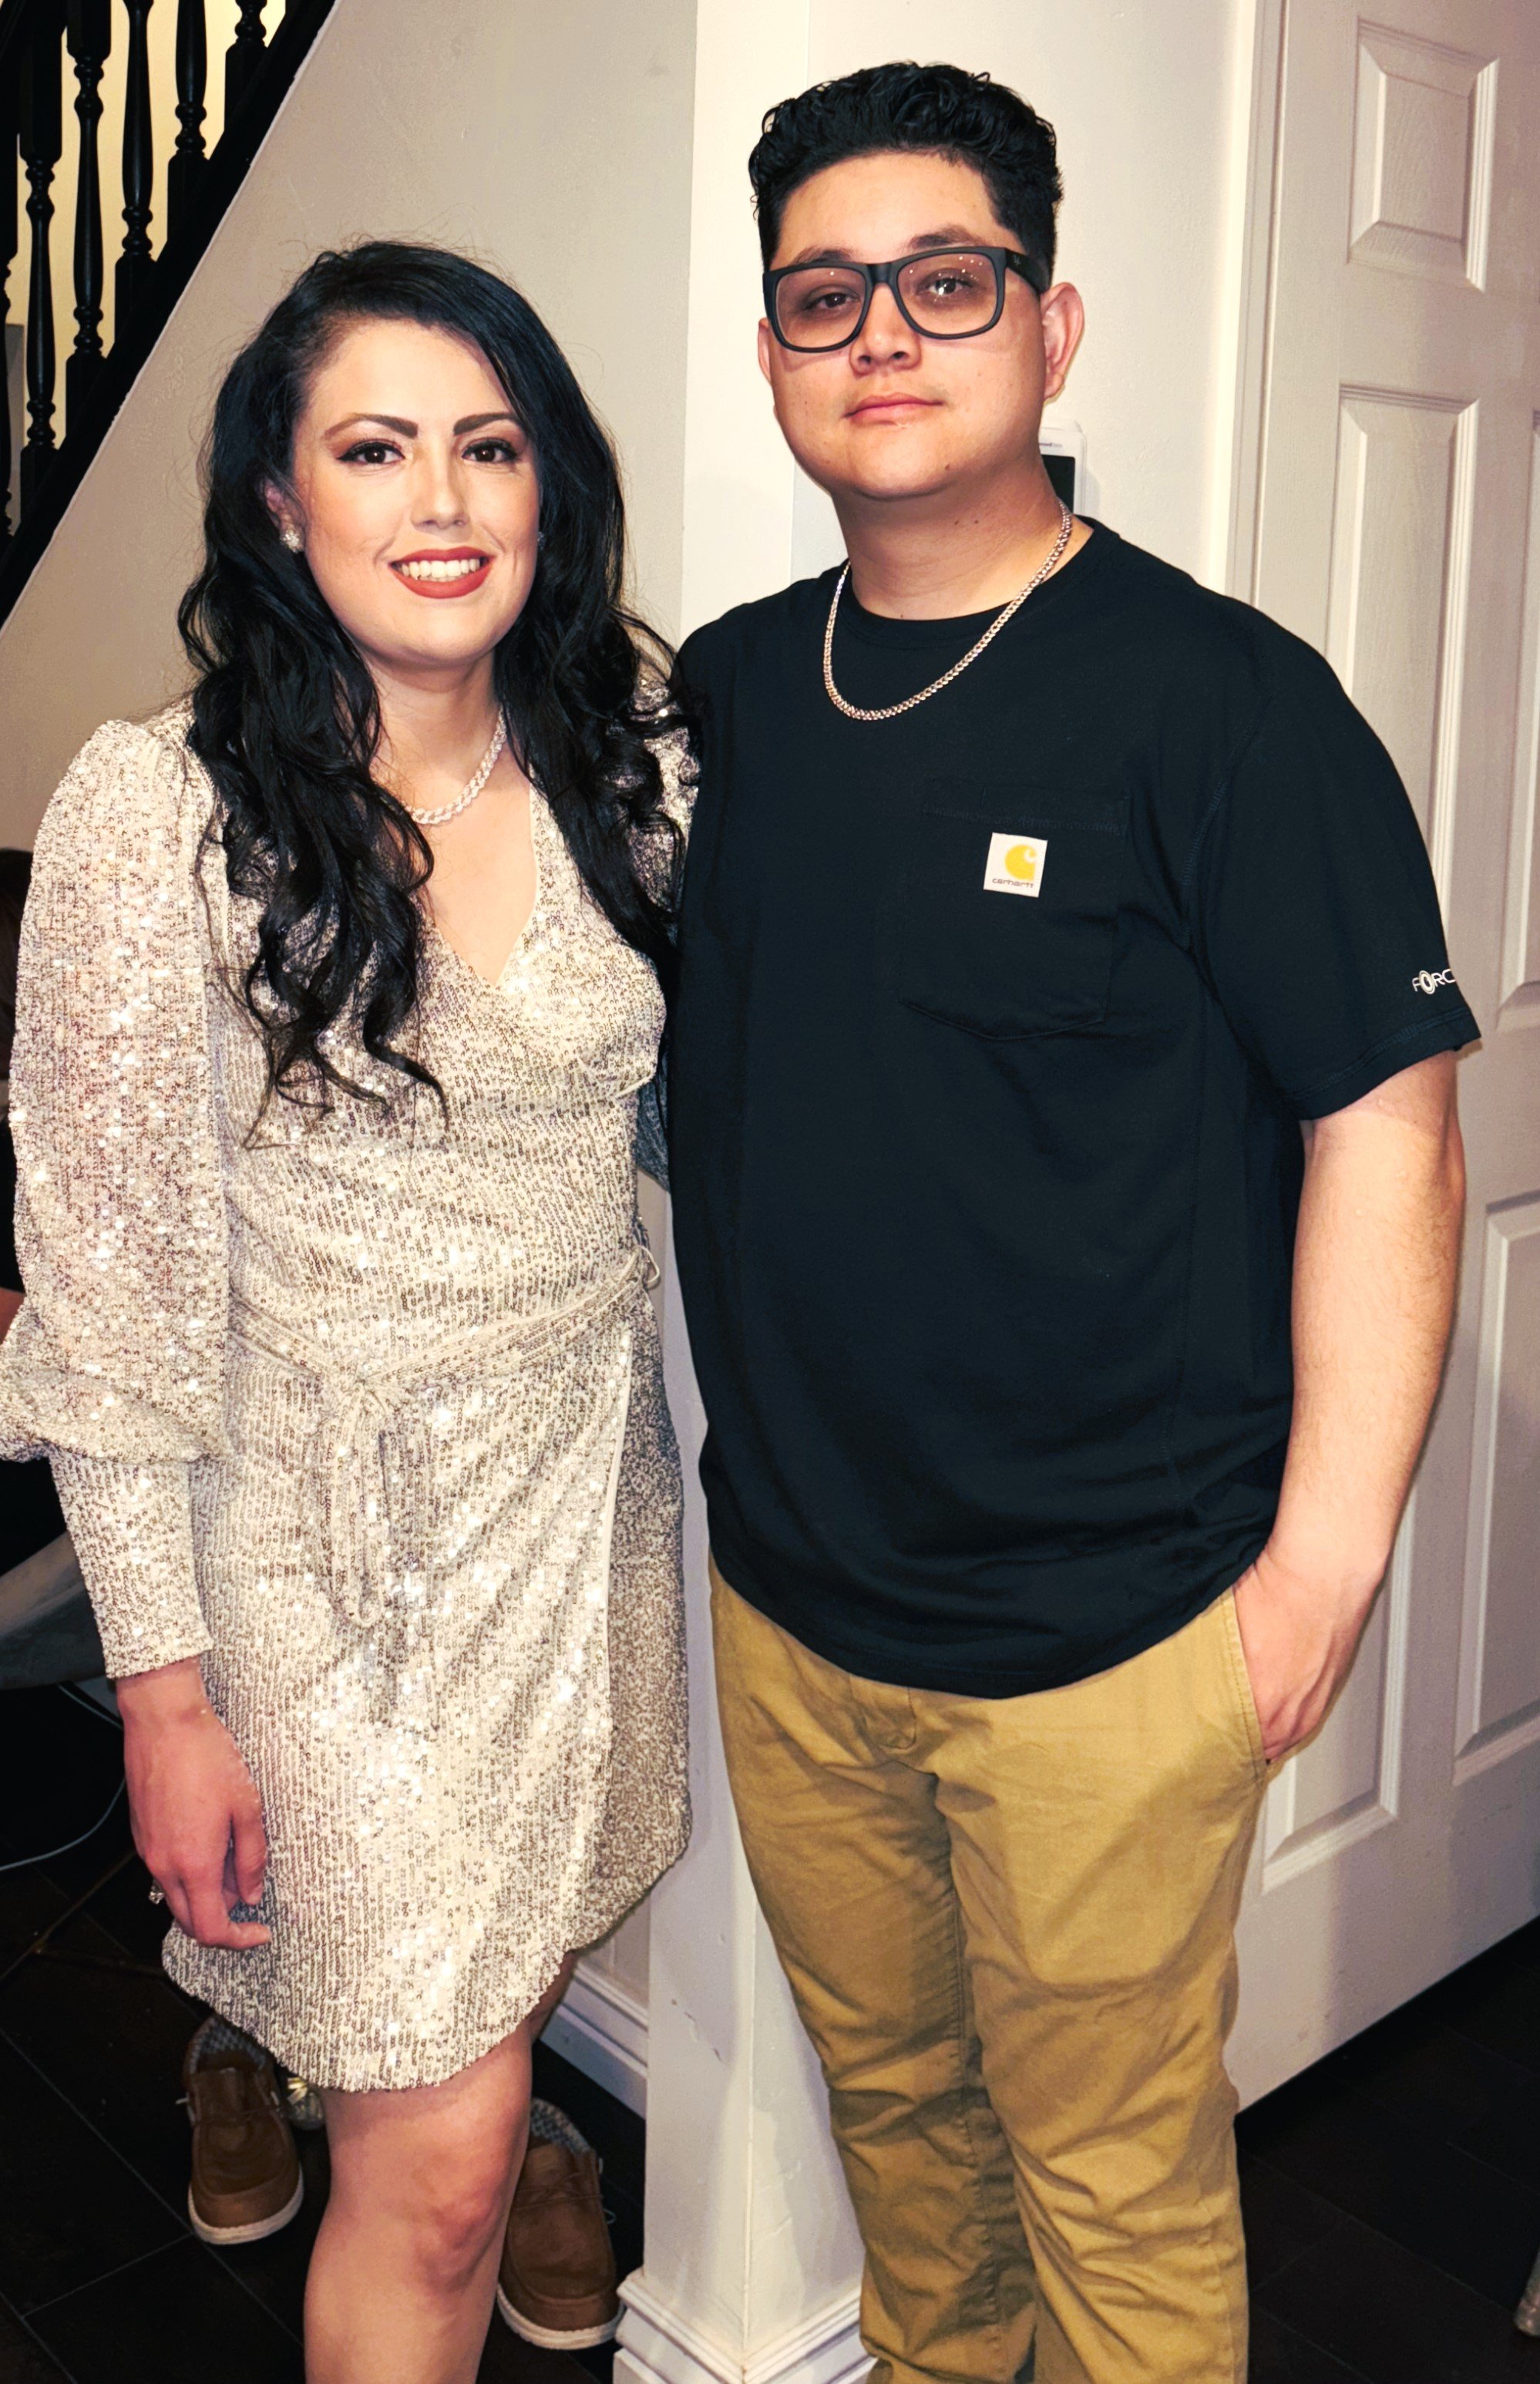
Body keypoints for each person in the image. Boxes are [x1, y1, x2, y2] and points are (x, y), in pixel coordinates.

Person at [668, 62, 1475, 2384]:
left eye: (948, 281)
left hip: (1115, 1643)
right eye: (829, 296)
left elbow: (1390, 1137)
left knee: (1113, 2189)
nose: (886, 335)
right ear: (774, 356)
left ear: (1053, 323)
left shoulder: (1223, 706)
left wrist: (1319, 1567)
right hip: (800, 1611)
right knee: (904, 2133)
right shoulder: (728, 697)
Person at [0, 240, 688, 2384]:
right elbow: (104, 1289)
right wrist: (166, 1689)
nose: (444, 496)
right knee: (456, 2149)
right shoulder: (163, 809)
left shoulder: (640, 763)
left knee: (468, 2053)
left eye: (491, 445)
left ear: (550, 493)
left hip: (582, 1514)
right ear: (283, 504)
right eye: (375, 447)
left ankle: (294, 2071)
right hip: (321, 1545)